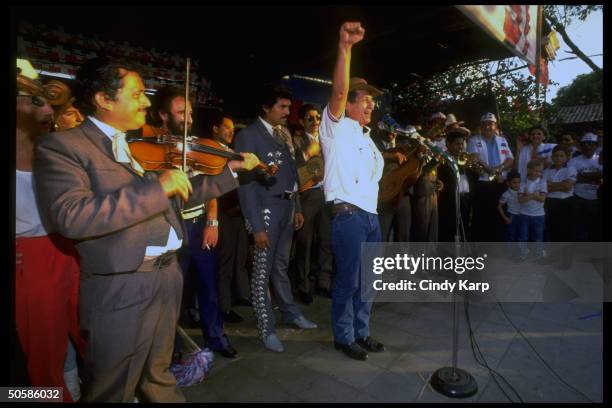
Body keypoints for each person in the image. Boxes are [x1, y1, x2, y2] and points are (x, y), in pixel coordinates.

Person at [33, 57, 259, 402]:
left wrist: (231, 173)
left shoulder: (135, 144)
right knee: (113, 388)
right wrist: (157, 187)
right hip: (122, 285)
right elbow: (71, 216)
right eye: (137, 94)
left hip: (165, 277)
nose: (147, 102)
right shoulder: (62, 147)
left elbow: (175, 197)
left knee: (157, 375)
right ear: (104, 99)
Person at [150, 86, 239, 359]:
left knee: (209, 288)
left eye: (190, 112)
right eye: (181, 112)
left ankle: (216, 338)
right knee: (171, 295)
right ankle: (171, 350)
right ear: (163, 115)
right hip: (171, 230)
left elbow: (209, 187)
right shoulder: (150, 149)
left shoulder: (198, 147)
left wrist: (212, 222)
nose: (188, 119)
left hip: (200, 226)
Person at [15, 59, 84, 402]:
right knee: (43, 351)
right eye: (29, 96)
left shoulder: (55, 144)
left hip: (68, 245)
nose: (43, 104)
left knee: (90, 330)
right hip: (29, 256)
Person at [319, 22, 386, 361]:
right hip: (348, 216)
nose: (371, 106)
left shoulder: (366, 137)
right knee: (348, 279)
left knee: (369, 281)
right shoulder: (335, 126)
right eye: (366, 100)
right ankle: (343, 337)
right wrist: (345, 49)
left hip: (371, 217)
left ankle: (363, 332)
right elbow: (339, 93)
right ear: (351, 103)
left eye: (373, 101)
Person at [235, 84, 317, 353]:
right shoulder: (248, 136)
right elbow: (245, 186)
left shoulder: (283, 133)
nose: (286, 112)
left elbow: (292, 173)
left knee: (281, 266)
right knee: (262, 272)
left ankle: (290, 313)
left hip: (287, 209)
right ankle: (266, 328)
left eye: (288, 107)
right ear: (265, 108)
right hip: (265, 212)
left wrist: (297, 208)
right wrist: (256, 226)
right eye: (281, 107)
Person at [207, 111, 252, 323]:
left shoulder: (232, 152)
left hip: (237, 213)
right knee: (224, 262)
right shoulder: (210, 152)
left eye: (233, 128)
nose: (231, 131)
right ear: (215, 129)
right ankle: (223, 307)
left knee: (238, 258)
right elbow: (212, 188)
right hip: (222, 214)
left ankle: (238, 296)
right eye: (227, 127)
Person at [292, 104, 334, 303]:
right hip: (307, 197)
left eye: (318, 117)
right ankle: (303, 286)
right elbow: (293, 168)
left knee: (326, 241)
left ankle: (324, 283)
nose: (316, 121)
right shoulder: (296, 140)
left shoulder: (328, 138)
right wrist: (309, 151)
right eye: (310, 118)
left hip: (327, 196)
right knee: (304, 243)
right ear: (301, 121)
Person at [467, 112, 514, 242]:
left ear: (495, 125)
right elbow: (475, 160)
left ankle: (498, 245)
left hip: (501, 182)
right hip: (483, 184)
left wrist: (498, 169)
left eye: (490, 124)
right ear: (481, 126)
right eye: (484, 124)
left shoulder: (502, 140)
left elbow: (510, 159)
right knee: (482, 215)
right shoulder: (473, 140)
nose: (487, 126)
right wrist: (493, 171)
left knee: (500, 214)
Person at [437, 128, 474, 242]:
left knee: (464, 225)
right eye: (457, 144)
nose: (461, 147)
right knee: (449, 228)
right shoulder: (442, 160)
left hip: (465, 198)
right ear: (448, 144)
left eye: (462, 144)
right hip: (449, 200)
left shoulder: (464, 159)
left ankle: (462, 253)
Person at [568, 132, 603, 241]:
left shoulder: (600, 159)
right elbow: (574, 179)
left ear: (596, 145)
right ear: (581, 146)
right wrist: (596, 176)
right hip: (579, 198)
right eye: (585, 144)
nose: (588, 146)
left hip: (598, 199)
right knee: (578, 229)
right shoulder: (573, 161)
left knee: (596, 229)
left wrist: (582, 175)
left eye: (591, 144)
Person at [543, 145, 576, 243]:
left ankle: (565, 256)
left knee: (565, 229)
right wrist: (562, 185)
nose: (558, 158)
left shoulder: (570, 169)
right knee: (551, 228)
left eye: (562, 156)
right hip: (549, 202)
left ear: (567, 157)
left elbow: (568, 187)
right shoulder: (546, 171)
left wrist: (551, 185)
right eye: (556, 156)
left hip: (566, 202)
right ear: (552, 157)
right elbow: (544, 188)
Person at [518, 160, 547, 260]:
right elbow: (520, 200)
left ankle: (539, 255)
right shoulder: (523, 182)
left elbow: (542, 199)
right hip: (524, 214)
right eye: (535, 171)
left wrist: (528, 195)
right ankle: (522, 254)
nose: (537, 173)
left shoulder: (543, 182)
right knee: (523, 236)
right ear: (528, 170)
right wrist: (534, 195)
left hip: (539, 215)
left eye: (540, 171)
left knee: (538, 237)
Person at [497, 171, 522, 258]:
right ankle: (510, 254)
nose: (517, 184)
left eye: (519, 182)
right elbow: (499, 206)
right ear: (508, 183)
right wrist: (506, 218)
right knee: (511, 236)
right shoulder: (506, 194)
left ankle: (519, 254)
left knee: (521, 236)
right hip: (512, 217)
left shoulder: (522, 191)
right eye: (514, 182)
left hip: (522, 216)